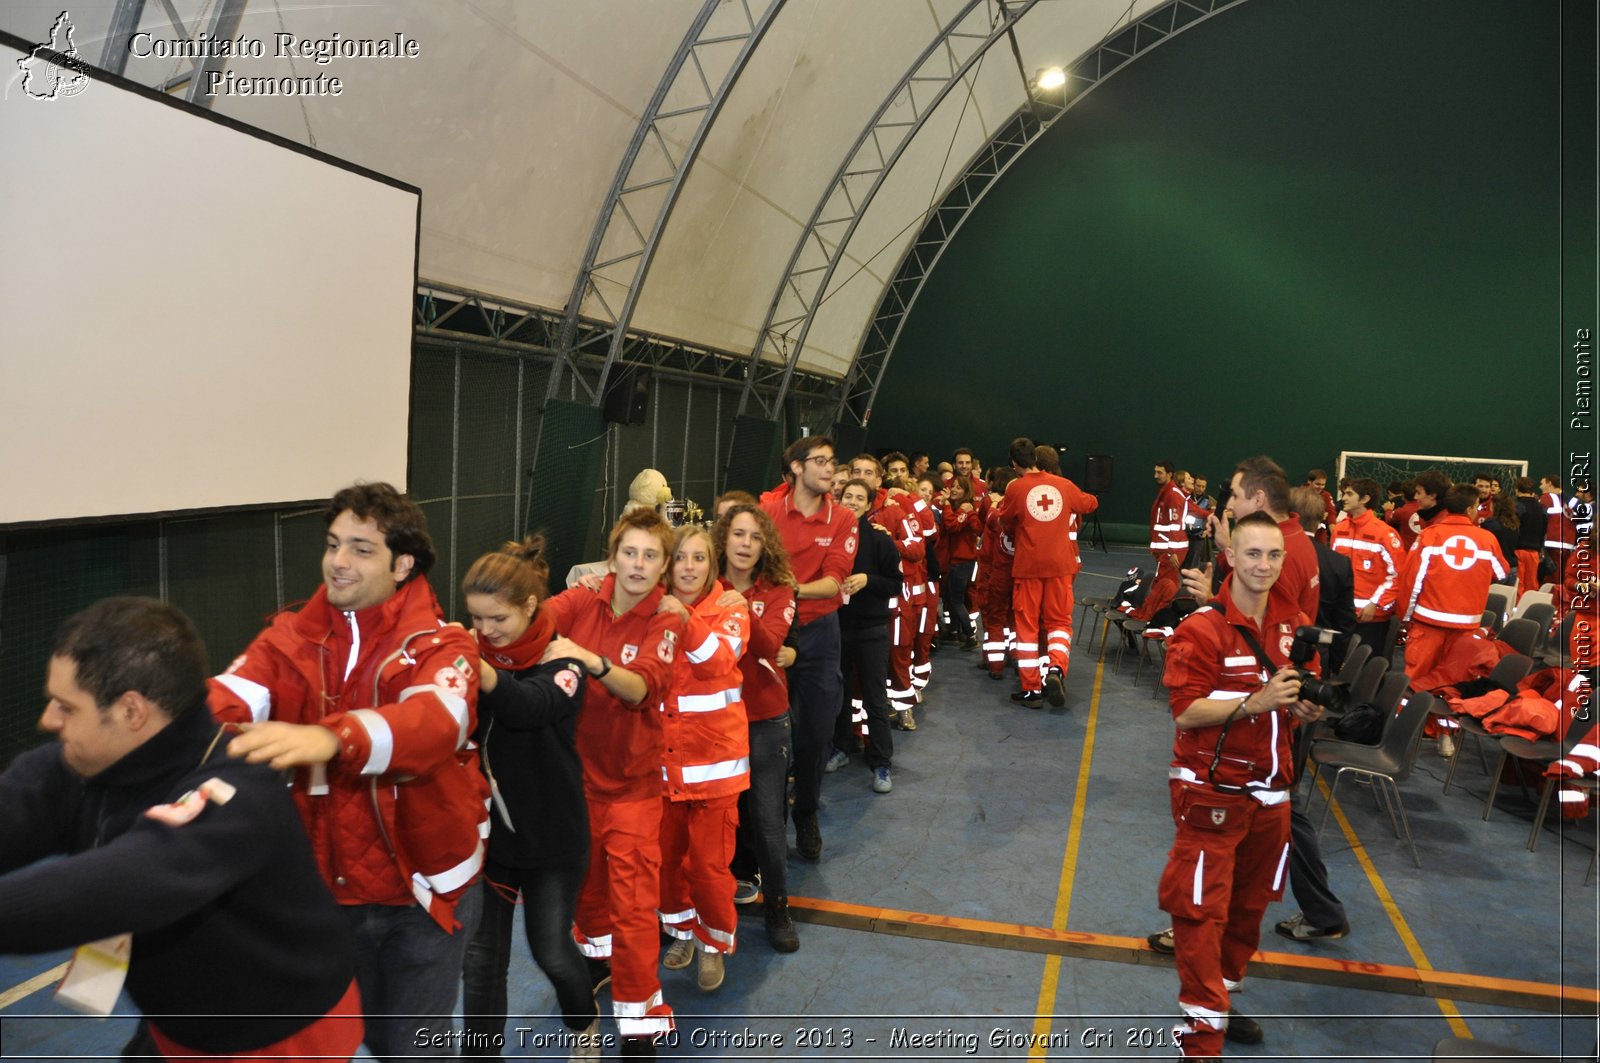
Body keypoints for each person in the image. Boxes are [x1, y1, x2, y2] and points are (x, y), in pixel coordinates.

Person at [0, 597, 361, 1061]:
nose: (48, 721)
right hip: (182, 1025)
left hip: (278, 1038)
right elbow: (17, 804)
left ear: (132, 712)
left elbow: (129, 879)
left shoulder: (236, 793)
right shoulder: (84, 765)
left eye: (66, 707)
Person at [208, 482, 486, 1063]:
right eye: (334, 544)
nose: (338, 561)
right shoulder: (286, 640)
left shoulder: (445, 644)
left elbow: (436, 721)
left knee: (414, 1051)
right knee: (342, 1043)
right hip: (325, 898)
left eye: (361, 549)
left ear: (401, 564)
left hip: (424, 898)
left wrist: (331, 736)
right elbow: (229, 699)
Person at [1157, 513, 1324, 1058]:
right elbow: (1184, 712)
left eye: (1274, 555)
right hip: (1213, 797)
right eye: (1253, 554)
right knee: (1200, 913)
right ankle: (1201, 1039)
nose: (1264, 565)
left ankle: (1222, 1006)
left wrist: (1307, 707)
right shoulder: (1201, 628)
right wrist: (1254, 702)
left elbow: (1299, 702)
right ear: (1230, 557)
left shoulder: (1293, 625)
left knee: (1250, 911)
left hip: (1272, 798)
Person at [540, 508, 685, 1056]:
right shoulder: (585, 597)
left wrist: (589, 659)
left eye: (651, 555)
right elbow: (537, 621)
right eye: (630, 552)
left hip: (633, 792)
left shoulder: (666, 618)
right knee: (585, 896)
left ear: (664, 565)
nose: (638, 564)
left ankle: (640, 1028)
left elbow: (643, 688)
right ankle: (596, 966)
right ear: (613, 554)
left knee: (633, 909)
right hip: (575, 786)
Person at [458, 537, 601, 1061]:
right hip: (490, 844)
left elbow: (526, 705)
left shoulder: (563, 661)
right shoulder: (473, 658)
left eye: (496, 618)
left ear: (529, 607)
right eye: (475, 620)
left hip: (552, 842)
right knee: (481, 962)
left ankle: (583, 1026)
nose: (484, 631)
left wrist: (476, 666)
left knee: (553, 952)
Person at [654, 524, 750, 995]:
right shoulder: (650, 607)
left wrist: (681, 619)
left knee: (709, 868)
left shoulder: (732, 608)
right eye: (679, 559)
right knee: (666, 863)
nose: (688, 568)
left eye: (697, 559)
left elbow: (716, 660)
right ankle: (680, 932)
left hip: (715, 772)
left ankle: (714, 942)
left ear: (712, 565)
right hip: (663, 768)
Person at [761, 436, 858, 861]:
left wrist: (790, 590)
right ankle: (768, 821)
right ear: (796, 467)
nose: (830, 469)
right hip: (769, 631)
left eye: (832, 462)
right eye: (820, 461)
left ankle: (807, 811)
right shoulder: (765, 510)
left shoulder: (843, 519)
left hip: (818, 632)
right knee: (766, 732)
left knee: (816, 733)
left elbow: (835, 580)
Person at [715, 503, 801, 952]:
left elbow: (769, 646)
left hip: (765, 720)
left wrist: (742, 608)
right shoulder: (704, 585)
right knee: (714, 824)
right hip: (713, 721)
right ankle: (705, 917)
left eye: (754, 537)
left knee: (767, 820)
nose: (746, 544)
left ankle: (779, 910)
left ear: (765, 544)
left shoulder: (780, 590)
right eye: (738, 535)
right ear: (723, 540)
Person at [1002, 436, 1098, 707]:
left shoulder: (1016, 489)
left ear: (1014, 464)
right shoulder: (1064, 485)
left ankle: (1031, 688)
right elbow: (1090, 504)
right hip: (1061, 568)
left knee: (1027, 628)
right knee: (1059, 624)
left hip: (1028, 569)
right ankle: (1056, 669)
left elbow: (1005, 521)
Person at [1397, 484, 1509, 702]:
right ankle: (1446, 731)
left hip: (1427, 623)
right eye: (1477, 506)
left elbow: (1412, 581)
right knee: (1454, 682)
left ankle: (1408, 725)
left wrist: (1405, 616)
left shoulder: (1430, 536)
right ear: (1469, 510)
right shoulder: (1487, 539)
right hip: (1466, 627)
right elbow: (1501, 572)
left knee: (1414, 680)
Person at [838, 477, 904, 793]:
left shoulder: (880, 541)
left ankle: (880, 763)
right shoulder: (830, 538)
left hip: (871, 630)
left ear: (868, 505)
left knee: (875, 699)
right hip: (837, 628)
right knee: (838, 694)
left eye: (858, 497)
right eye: (846, 496)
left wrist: (868, 579)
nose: (851, 501)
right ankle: (841, 748)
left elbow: (895, 583)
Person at [1331, 476, 1405, 656]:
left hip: (1373, 619)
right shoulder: (1339, 530)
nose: (1344, 498)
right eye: (1343, 493)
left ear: (1365, 499)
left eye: (1349, 494)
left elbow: (1398, 575)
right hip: (1342, 617)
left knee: (1368, 671)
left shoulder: (1384, 533)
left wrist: (1376, 604)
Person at [939, 473, 982, 649]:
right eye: (953, 486)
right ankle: (953, 631)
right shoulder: (959, 508)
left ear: (966, 491)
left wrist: (949, 506)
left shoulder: (964, 508)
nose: (954, 490)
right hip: (954, 562)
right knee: (950, 598)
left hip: (962, 563)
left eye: (959, 487)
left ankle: (970, 636)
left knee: (956, 600)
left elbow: (952, 526)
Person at [1151, 460, 1196, 574]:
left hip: (1171, 550)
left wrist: (1171, 552)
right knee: (1164, 581)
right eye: (1155, 472)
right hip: (1164, 549)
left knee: (1167, 581)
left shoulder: (1172, 494)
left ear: (1170, 474)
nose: (1155, 476)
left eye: (1160, 472)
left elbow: (1174, 525)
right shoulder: (1166, 492)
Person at [1512, 477, 1546, 599]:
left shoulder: (1517, 507)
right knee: (1532, 583)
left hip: (1518, 550)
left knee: (1518, 584)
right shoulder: (1541, 508)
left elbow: (1513, 530)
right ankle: (1528, 610)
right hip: (1535, 552)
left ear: (1516, 490)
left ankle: (1515, 612)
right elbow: (1544, 531)